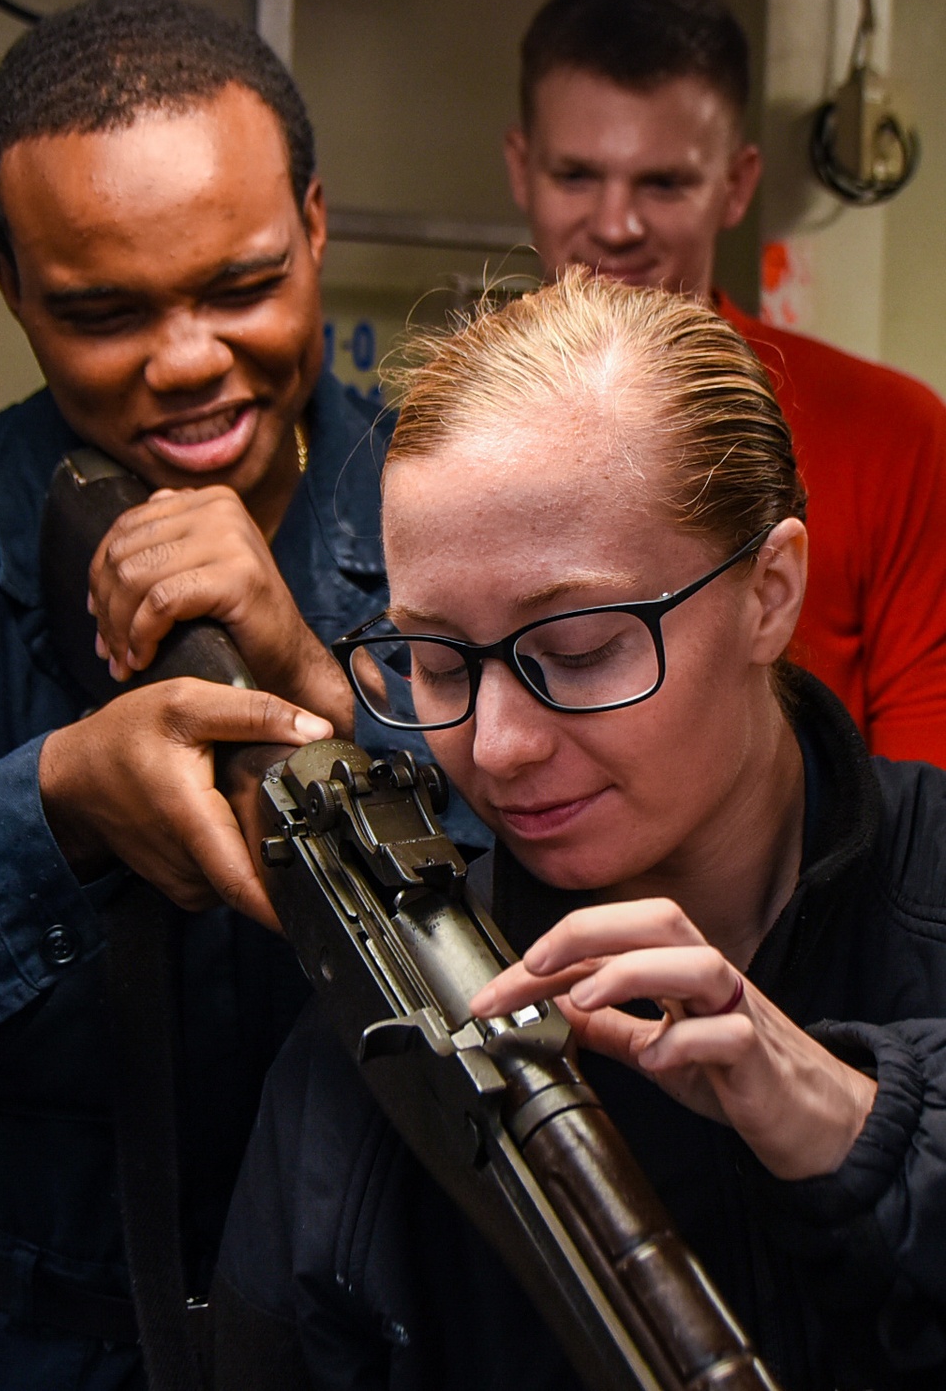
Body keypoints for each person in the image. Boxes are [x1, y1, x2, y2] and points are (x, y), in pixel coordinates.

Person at [217, 272, 946, 1391]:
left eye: (579, 649)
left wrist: (866, 1126)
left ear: (771, 591)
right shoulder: (378, 1042)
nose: (496, 746)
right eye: (438, 660)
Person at [0, 0, 483, 1390]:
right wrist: (52, 807)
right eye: (102, 311)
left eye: (241, 286)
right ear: (10, 286)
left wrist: (317, 675)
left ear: (314, 225)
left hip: (394, 1337)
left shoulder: (465, 510)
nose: (188, 363)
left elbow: (590, 893)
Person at [503, 0, 946, 766]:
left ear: (737, 186)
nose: (616, 225)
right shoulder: (452, 447)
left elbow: (930, 804)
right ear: (520, 170)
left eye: (664, 182)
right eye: (577, 175)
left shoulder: (896, 436)